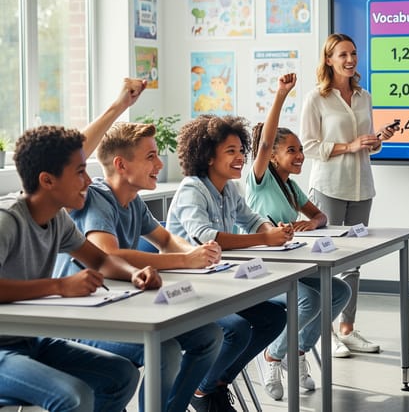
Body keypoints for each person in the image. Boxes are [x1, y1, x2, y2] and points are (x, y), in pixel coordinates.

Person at [0, 78, 160, 411]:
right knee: (73, 396)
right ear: (47, 180)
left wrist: (133, 274)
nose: (88, 180)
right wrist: (59, 286)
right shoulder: (7, 221)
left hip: (31, 340)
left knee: (121, 375)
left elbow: (100, 260)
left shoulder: (58, 219)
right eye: (80, 172)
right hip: (3, 349)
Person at [61, 121, 224, 412]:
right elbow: (109, 254)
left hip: (119, 311)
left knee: (209, 336)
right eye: (151, 156)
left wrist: (200, 252)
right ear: (121, 165)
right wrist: (186, 260)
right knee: (165, 351)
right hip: (80, 322)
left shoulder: (133, 201)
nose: (160, 164)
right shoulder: (96, 198)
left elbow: (167, 240)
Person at [165, 114, 290, 412]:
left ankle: (213, 384)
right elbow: (206, 236)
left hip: (217, 284)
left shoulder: (230, 188)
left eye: (241, 150)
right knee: (237, 330)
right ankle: (202, 389)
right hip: (186, 290)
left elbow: (252, 219)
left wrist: (272, 232)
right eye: (230, 151)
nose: (240, 157)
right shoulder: (192, 188)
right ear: (208, 157)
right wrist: (264, 239)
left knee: (274, 317)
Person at [246, 72, 351, 399]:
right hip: (261, 267)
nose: (300, 155)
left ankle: (299, 350)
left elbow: (320, 215)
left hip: (289, 264)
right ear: (272, 155)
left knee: (339, 291)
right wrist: (281, 95)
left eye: (301, 149)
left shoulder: (291, 186)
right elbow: (265, 142)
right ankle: (272, 355)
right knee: (309, 300)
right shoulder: (259, 179)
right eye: (291, 150)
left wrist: (311, 224)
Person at [299, 33, 398, 355]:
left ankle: (347, 329)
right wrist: (349, 146)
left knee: (353, 263)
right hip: (329, 187)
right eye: (342, 54)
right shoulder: (316, 98)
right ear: (329, 60)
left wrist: (376, 139)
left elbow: (365, 144)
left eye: (353, 53)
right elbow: (308, 146)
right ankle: (324, 333)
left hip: (361, 187)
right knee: (327, 260)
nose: (350, 59)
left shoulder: (364, 96)